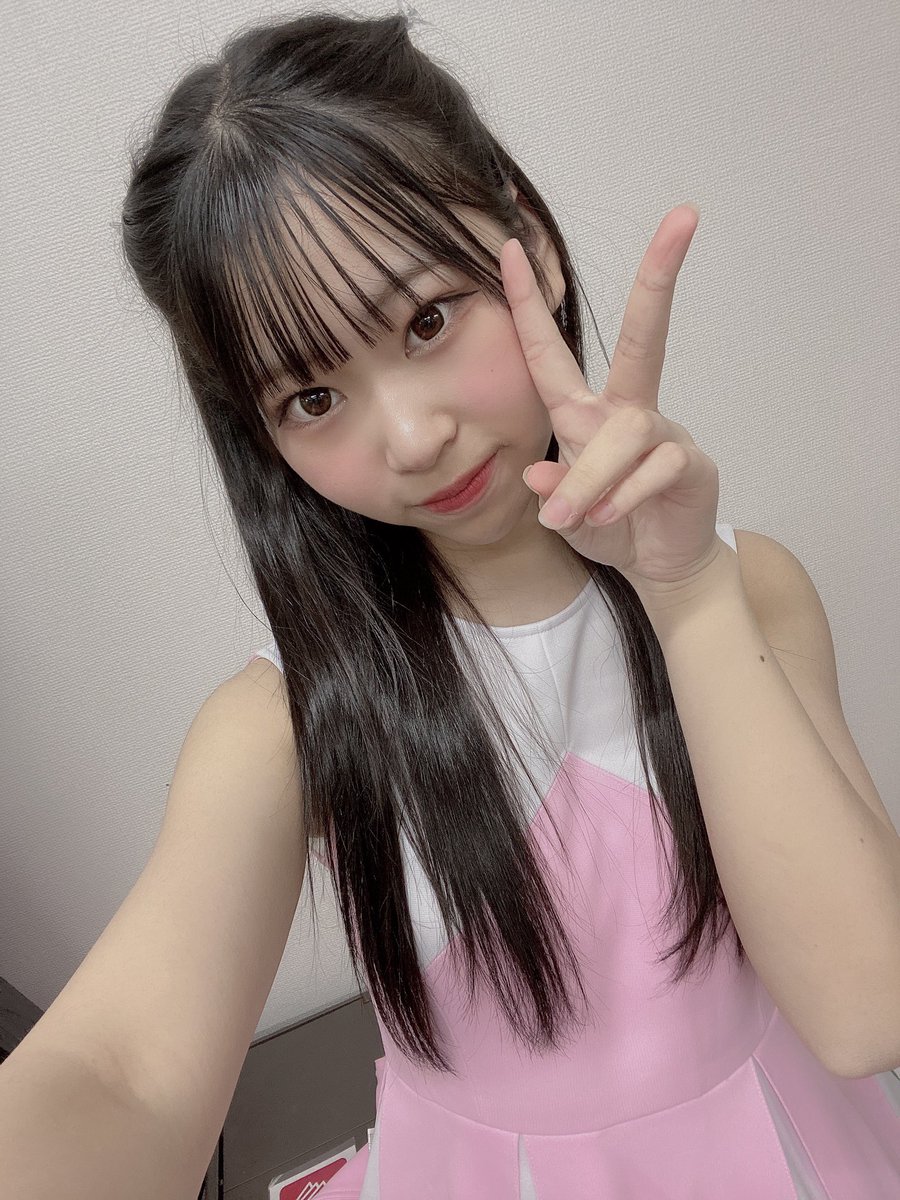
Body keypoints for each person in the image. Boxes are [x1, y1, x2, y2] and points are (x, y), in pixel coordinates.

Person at [2, 8, 899, 1199]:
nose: (414, 435)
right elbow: (122, 1071)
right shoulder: (285, 724)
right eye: (312, 397)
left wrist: (686, 595)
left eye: (427, 320)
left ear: (531, 245)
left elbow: (866, 1006)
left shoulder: (749, 586)